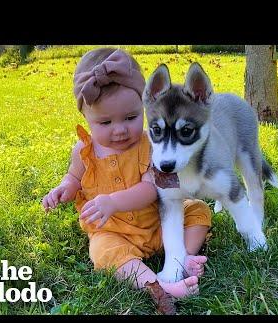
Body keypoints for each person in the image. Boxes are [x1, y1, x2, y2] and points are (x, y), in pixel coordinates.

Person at [42, 47, 211, 298]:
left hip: (157, 225)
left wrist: (113, 201)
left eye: (131, 117)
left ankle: (182, 257)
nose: (119, 130)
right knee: (103, 251)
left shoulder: (150, 146)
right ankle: (158, 286)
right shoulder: (83, 151)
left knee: (197, 209)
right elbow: (74, 178)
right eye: (106, 122)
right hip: (112, 230)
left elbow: (151, 189)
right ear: (86, 117)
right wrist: (64, 189)